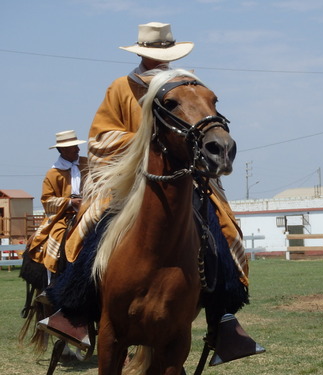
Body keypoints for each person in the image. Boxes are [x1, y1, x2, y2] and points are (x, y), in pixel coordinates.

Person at [39, 22, 262, 363]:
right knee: (91, 225)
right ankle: (75, 311)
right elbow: (100, 139)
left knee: (224, 227)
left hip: (185, 174)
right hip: (129, 180)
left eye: (166, 56)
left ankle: (224, 318)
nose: (161, 61)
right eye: (155, 55)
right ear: (142, 53)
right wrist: (145, 139)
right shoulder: (121, 88)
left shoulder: (188, 85)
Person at [28, 130, 87, 281]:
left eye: (76, 146)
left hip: (90, 210)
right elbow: (47, 200)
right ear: (63, 150)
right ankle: (50, 283)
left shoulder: (87, 164)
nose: (78, 149)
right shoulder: (53, 174)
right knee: (55, 238)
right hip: (65, 216)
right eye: (74, 147)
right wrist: (69, 202)